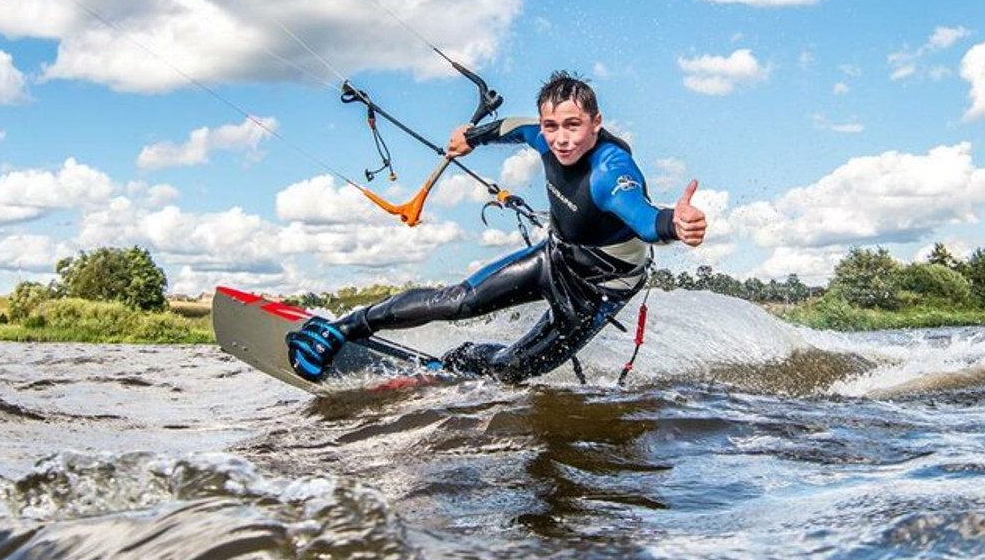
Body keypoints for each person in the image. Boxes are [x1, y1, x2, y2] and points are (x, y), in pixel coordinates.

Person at [288, 71, 708, 383]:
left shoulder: (610, 172)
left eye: (573, 126)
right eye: (553, 126)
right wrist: (474, 135)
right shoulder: (543, 136)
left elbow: (644, 217)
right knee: (456, 301)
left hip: (596, 292)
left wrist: (675, 222)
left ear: (596, 124)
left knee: (508, 370)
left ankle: (457, 362)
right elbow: (516, 128)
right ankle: (343, 327)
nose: (561, 139)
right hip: (555, 257)